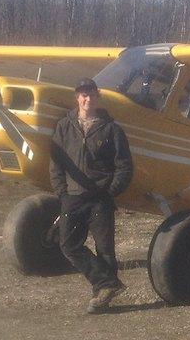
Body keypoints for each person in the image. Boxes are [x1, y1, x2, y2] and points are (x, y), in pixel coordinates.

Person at [50, 78, 134, 313]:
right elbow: (56, 163)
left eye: (92, 95)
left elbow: (124, 165)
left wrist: (111, 192)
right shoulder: (64, 127)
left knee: (105, 248)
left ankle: (103, 296)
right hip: (73, 196)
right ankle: (107, 283)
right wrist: (61, 192)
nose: (87, 99)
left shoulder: (111, 129)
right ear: (77, 97)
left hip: (100, 198)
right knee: (68, 244)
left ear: (97, 98)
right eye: (83, 95)